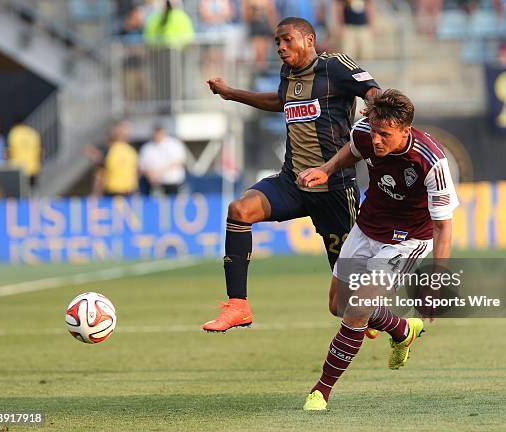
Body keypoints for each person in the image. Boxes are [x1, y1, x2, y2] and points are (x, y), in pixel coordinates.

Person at [202, 17, 381, 332]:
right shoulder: (288, 73)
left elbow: (372, 91)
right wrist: (232, 93)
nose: (281, 48)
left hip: (334, 188)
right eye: (277, 43)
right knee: (239, 210)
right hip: (293, 182)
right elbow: (280, 100)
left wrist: (375, 106)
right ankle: (238, 306)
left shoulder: (335, 66)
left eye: (287, 40)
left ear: (309, 40)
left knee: (348, 303)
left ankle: (399, 327)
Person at [296, 89, 459, 410]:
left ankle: (321, 391)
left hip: (408, 239)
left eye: (385, 134)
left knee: (358, 308)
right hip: (368, 226)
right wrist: (326, 170)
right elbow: (352, 150)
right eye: (374, 131)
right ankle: (402, 329)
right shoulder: (366, 133)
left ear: (405, 131)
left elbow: (443, 227)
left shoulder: (431, 162)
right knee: (338, 306)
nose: (377, 140)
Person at [139, 124, 187, 196]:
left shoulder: (174, 144)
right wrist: (151, 175)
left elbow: (180, 161)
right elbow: (143, 166)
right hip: (155, 185)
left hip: (173, 183)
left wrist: (160, 172)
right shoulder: (147, 148)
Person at [242, 0, 279, 71]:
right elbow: (246, 16)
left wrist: (275, 29)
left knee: (264, 56)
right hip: (256, 27)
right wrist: (254, 9)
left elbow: (272, 13)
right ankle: (258, 74)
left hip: (265, 27)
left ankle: (262, 73)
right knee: (258, 56)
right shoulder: (248, 2)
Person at [7, 118, 42, 189]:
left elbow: (10, 151)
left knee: (19, 192)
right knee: (32, 191)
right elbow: (39, 151)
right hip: (33, 168)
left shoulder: (13, 133)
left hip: (18, 168)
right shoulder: (33, 133)